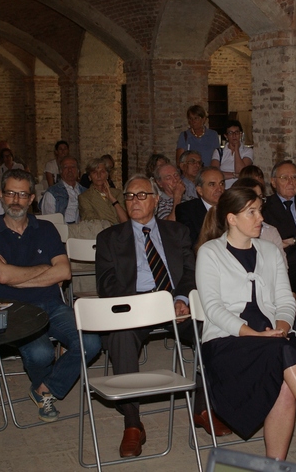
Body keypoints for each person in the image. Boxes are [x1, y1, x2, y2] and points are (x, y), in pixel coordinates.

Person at [195, 187, 296, 471]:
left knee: (285, 372)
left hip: (274, 339)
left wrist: (282, 327)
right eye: (253, 212)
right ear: (232, 219)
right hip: (228, 343)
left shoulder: (270, 250)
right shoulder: (210, 253)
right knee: (285, 353)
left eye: (260, 210)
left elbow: (286, 300)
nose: (261, 217)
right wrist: (255, 334)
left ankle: (274, 465)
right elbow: (213, 309)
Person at [96, 175, 230, 458]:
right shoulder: (109, 238)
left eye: (142, 195)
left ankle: (203, 407)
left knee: (212, 327)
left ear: (156, 201)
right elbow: (107, 285)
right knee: (119, 335)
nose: (134, 201)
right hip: (135, 307)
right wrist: (144, 305)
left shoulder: (177, 231)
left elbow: (192, 272)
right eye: (130, 196)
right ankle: (132, 423)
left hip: (173, 305)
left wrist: (182, 300)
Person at [0, 169, 102, 422]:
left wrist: (19, 277)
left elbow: (64, 272)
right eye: (11, 193)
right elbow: (1, 276)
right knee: (41, 354)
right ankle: (46, 384)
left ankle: (44, 388)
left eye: (22, 194)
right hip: (14, 310)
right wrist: (45, 270)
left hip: (53, 305)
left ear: (32, 198)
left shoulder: (46, 229)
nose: (16, 200)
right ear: (1, 195)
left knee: (91, 341)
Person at [261, 160, 296, 318]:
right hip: (284, 264)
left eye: (294, 177)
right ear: (273, 182)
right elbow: (275, 237)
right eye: (284, 178)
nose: (291, 182)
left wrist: (291, 239)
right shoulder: (266, 207)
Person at [230, 177, 287, 268]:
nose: (258, 202)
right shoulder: (221, 243)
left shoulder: (270, 231)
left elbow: (282, 268)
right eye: (252, 198)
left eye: (260, 197)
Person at [176, 167, 225, 247]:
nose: (219, 189)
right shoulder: (186, 210)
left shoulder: (231, 207)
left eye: (221, 183)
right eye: (212, 185)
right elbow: (192, 243)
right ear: (200, 190)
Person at [78, 157, 127, 225]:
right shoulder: (84, 197)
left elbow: (125, 221)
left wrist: (112, 199)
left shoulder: (118, 193)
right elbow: (92, 221)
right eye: (95, 172)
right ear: (89, 177)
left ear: (107, 175)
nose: (99, 175)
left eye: (102, 172)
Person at [40, 156, 85, 223]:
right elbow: (48, 219)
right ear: (60, 171)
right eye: (66, 167)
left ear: (78, 171)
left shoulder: (84, 191)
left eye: (73, 167)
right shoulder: (52, 193)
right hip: (61, 228)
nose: (70, 170)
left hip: (82, 228)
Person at [211, 120, 253, 189]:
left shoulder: (248, 151)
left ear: (240, 134)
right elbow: (214, 174)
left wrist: (236, 150)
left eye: (236, 132)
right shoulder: (219, 152)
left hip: (240, 189)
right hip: (223, 190)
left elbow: (241, 171)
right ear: (226, 136)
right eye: (230, 133)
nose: (234, 135)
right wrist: (235, 175)